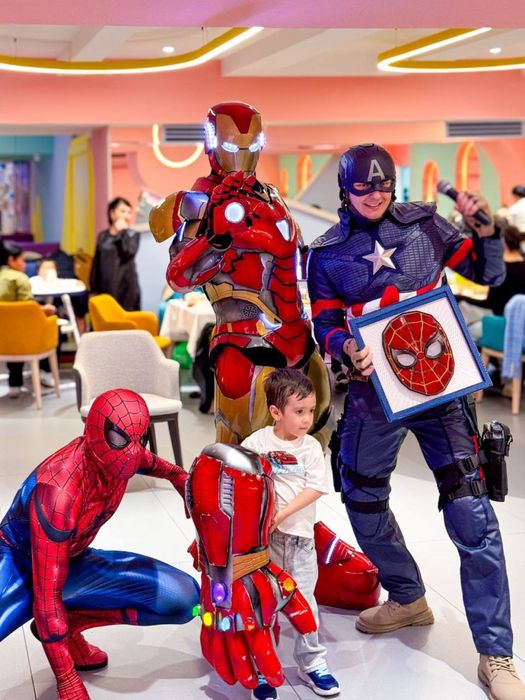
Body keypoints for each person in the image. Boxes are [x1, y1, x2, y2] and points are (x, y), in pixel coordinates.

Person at [307, 143, 525, 700]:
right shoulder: (327, 253)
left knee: (472, 512)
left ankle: (496, 653)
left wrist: (486, 228)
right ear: (346, 190)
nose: (374, 194)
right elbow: (324, 322)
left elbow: (487, 272)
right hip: (373, 391)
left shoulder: (425, 225)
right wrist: (342, 346)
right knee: (360, 494)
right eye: (363, 186)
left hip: (441, 387)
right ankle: (407, 597)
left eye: (382, 184)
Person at [149, 102, 332, 447]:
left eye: (254, 145)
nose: (243, 156)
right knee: (247, 444)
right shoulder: (199, 202)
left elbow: (298, 256)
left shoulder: (272, 196)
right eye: (232, 146)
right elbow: (178, 277)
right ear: (211, 142)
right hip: (244, 338)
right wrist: (213, 240)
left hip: (298, 336)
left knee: (315, 436)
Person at [0, 388, 199, 700]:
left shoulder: (125, 454)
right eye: (120, 438)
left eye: (141, 439)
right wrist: (67, 679)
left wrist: (186, 488)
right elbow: (47, 597)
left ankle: (72, 625)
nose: (132, 453)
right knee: (45, 603)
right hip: (16, 561)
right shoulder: (59, 491)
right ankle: (61, 637)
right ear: (92, 433)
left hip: (72, 560)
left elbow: (164, 468)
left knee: (185, 599)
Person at [241, 368, 339, 700]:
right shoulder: (256, 444)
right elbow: (239, 480)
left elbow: (315, 488)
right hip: (263, 545)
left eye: (310, 410)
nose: (307, 419)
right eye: (299, 411)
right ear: (275, 412)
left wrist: (280, 514)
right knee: (262, 604)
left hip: (300, 542)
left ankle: (312, 664)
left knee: (305, 604)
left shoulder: (310, 448)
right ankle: (262, 668)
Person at [0, 241, 56, 396]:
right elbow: (27, 309)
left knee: (12, 330)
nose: (24, 264)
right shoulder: (20, 278)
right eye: (22, 260)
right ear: (11, 260)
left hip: (3, 337)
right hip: (26, 338)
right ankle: (45, 373)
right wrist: (46, 309)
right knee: (46, 325)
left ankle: (14, 383)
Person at [458, 225, 525, 342]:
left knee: (465, 326)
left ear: (502, 243)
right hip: (520, 323)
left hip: (501, 322)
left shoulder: (500, 270)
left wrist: (461, 297)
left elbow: (490, 304)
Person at [90, 197, 141, 310]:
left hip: (126, 289)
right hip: (104, 288)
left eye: (129, 212)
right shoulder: (102, 236)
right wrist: (93, 289)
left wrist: (121, 233)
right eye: (122, 211)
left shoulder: (133, 234)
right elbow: (96, 263)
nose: (126, 216)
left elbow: (128, 253)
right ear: (112, 213)